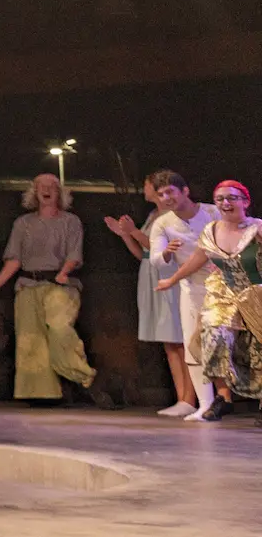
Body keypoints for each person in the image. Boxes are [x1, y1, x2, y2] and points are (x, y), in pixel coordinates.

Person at [0, 173, 112, 407]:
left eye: (51, 186)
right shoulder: (23, 223)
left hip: (59, 285)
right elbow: (14, 259)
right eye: (41, 186)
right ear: (34, 193)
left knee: (59, 330)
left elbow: (75, 254)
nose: (46, 190)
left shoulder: (69, 221)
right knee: (31, 341)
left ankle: (87, 377)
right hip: (28, 285)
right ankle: (43, 395)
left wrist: (64, 272)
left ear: (59, 192)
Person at [108, 171, 215, 418]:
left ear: (183, 191)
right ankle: (189, 399)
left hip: (187, 279)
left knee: (186, 338)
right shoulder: (158, 219)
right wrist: (128, 235)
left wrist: (134, 232)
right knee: (175, 340)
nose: (164, 196)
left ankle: (198, 399)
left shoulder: (193, 215)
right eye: (160, 192)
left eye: (169, 191)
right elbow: (149, 255)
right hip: (164, 278)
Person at [156, 180, 262, 421]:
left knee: (257, 349)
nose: (226, 203)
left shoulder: (256, 228)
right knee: (213, 337)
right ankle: (223, 397)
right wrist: (171, 280)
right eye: (220, 199)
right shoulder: (211, 230)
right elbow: (198, 258)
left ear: (245, 202)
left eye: (232, 198)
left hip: (256, 293)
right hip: (224, 294)